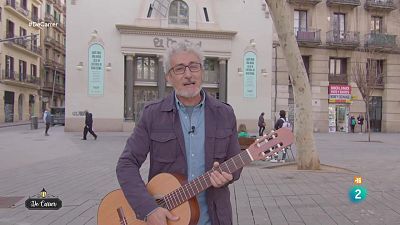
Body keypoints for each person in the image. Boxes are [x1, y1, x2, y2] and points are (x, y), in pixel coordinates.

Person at [116, 42, 242, 225]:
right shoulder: (152, 115)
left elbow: (235, 163)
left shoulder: (224, 114)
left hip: (214, 218)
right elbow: (126, 164)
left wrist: (228, 176)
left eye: (194, 66)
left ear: (202, 72)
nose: (188, 74)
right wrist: (148, 208)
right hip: (167, 220)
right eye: (180, 68)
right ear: (168, 77)